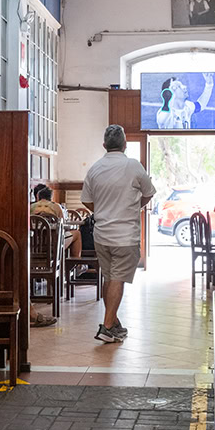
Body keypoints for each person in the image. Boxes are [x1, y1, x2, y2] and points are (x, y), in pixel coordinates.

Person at [81, 124, 156, 343]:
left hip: (101, 235)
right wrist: (134, 208)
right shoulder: (133, 166)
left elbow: (86, 199)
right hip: (125, 235)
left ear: (104, 145)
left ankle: (112, 323)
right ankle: (106, 327)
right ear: (125, 145)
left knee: (109, 277)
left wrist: (103, 211)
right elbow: (149, 193)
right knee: (117, 279)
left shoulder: (94, 168)